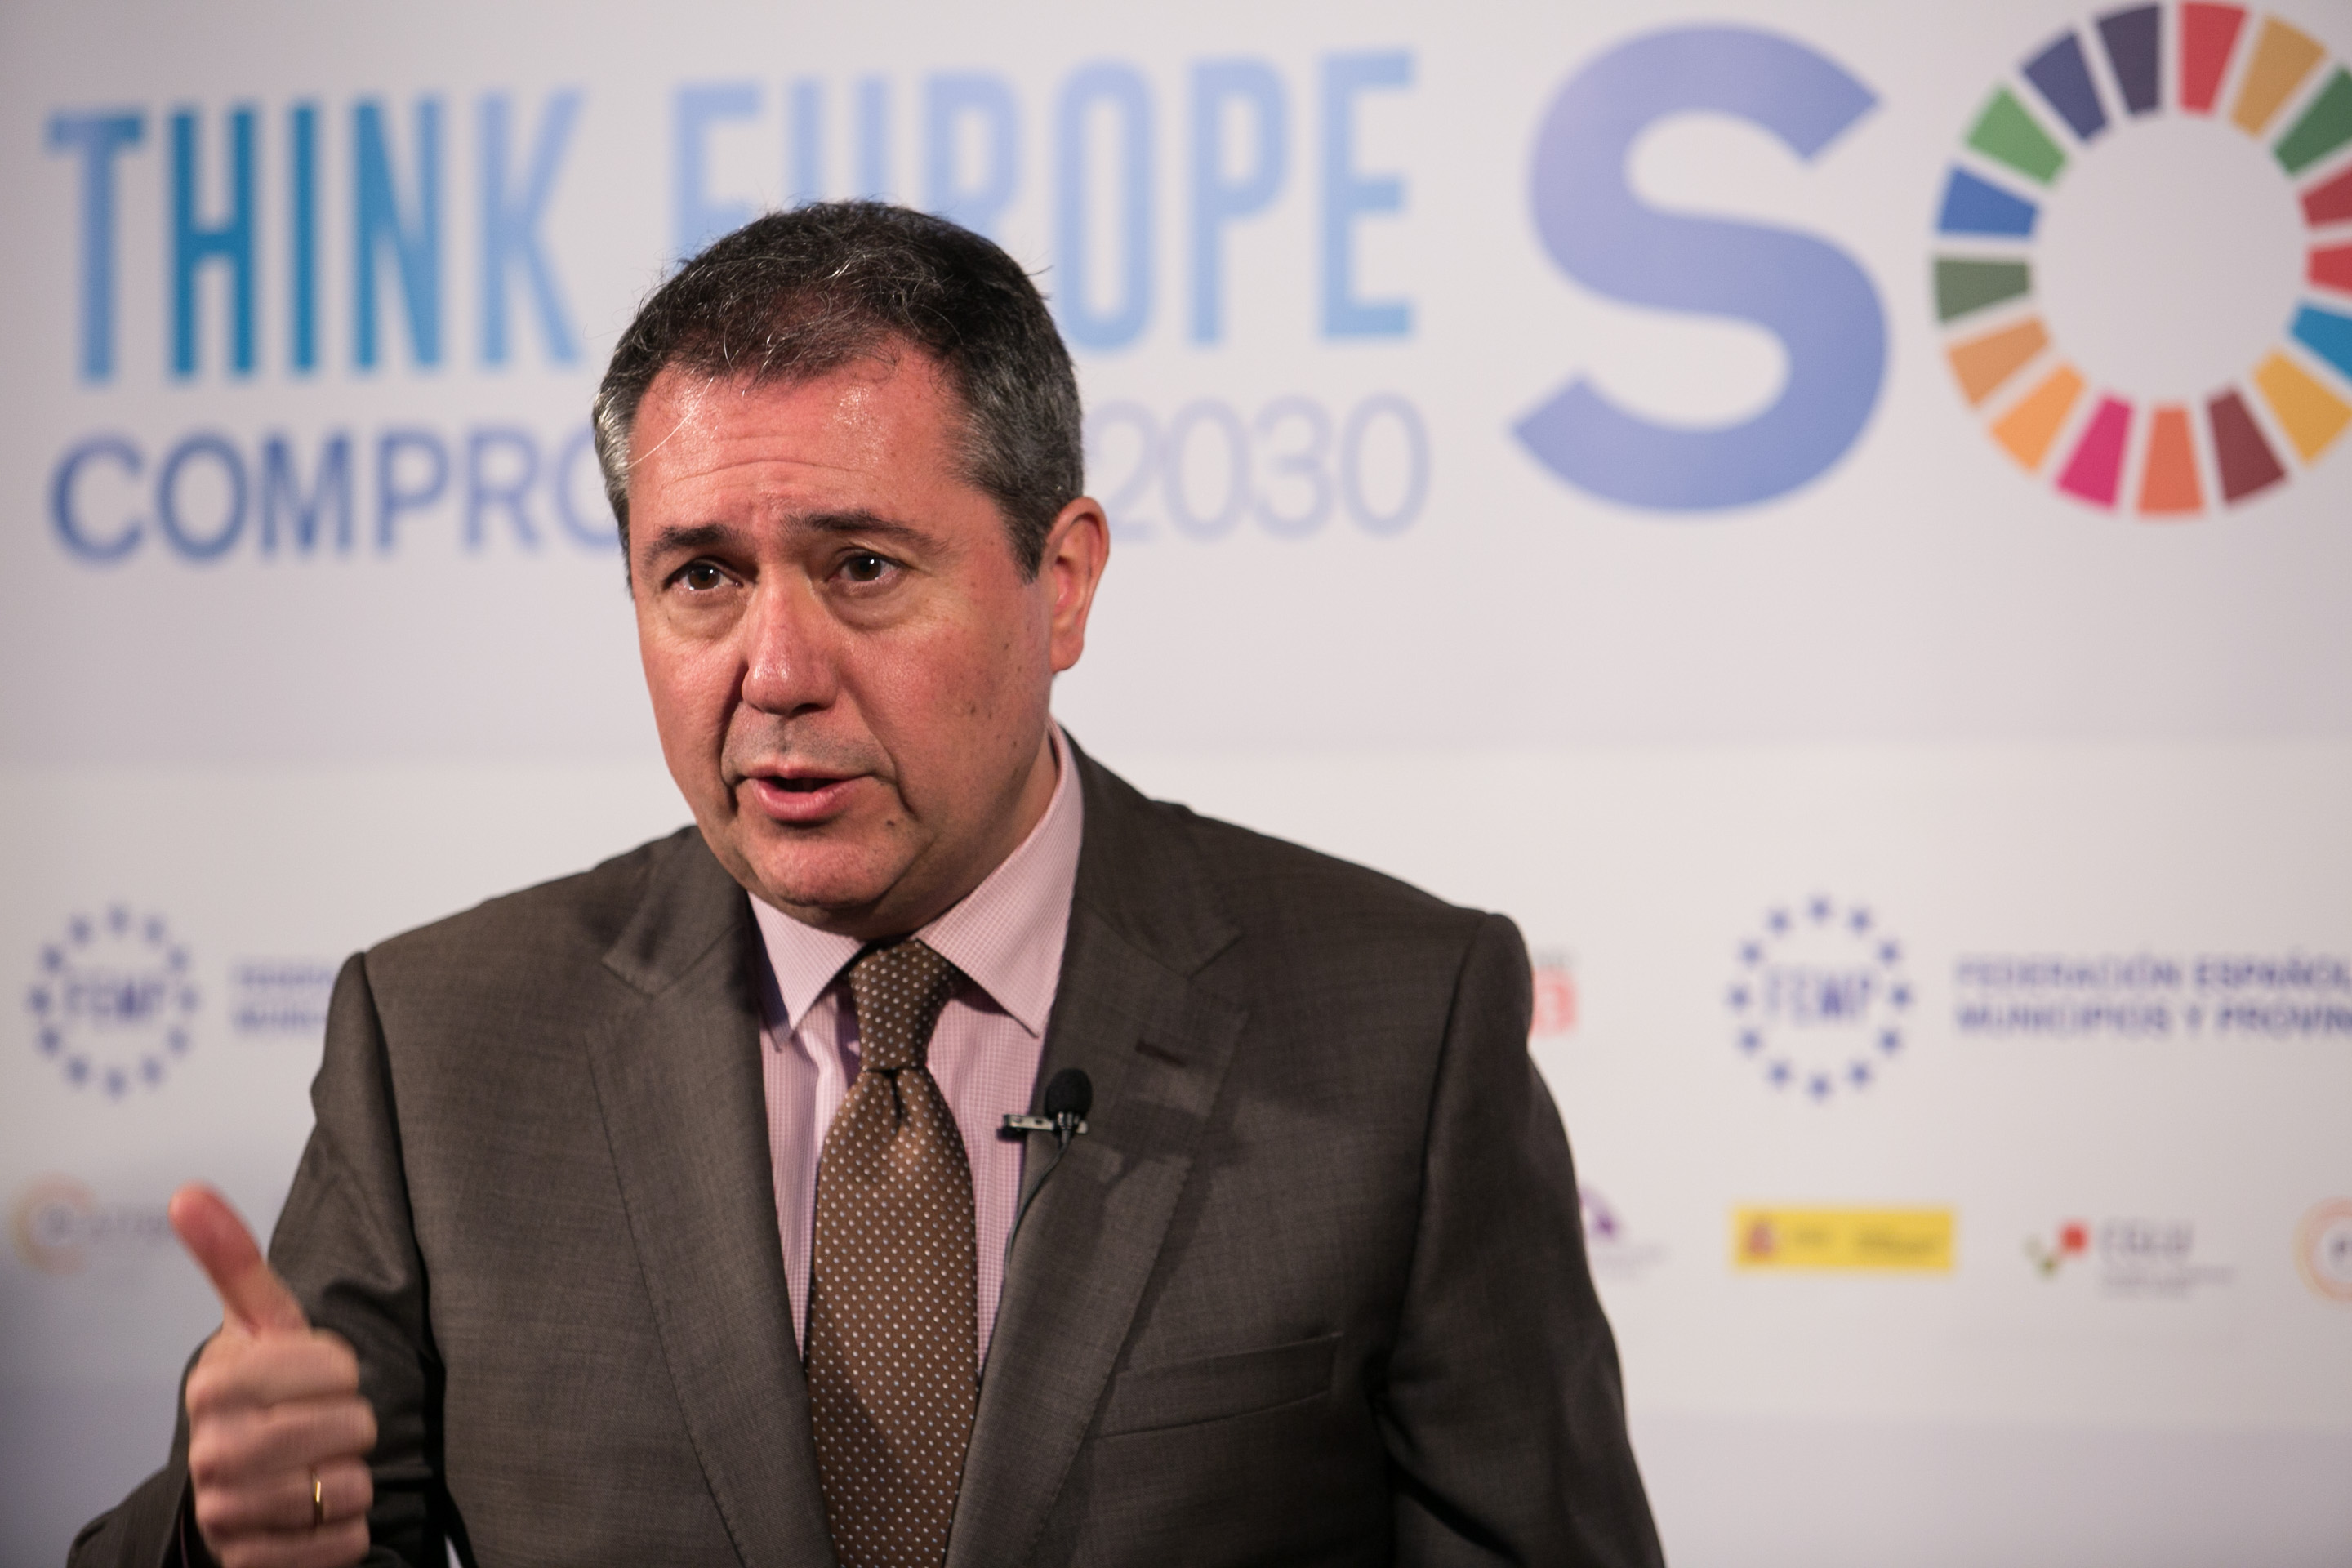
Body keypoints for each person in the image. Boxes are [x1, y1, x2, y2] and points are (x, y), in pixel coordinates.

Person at [70, 202, 1663, 1568]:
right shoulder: (444, 1048)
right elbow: (296, 1516)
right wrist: (234, 1532)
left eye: (863, 568)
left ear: (1062, 583)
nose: (775, 670)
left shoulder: (1399, 1026)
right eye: (702, 575)